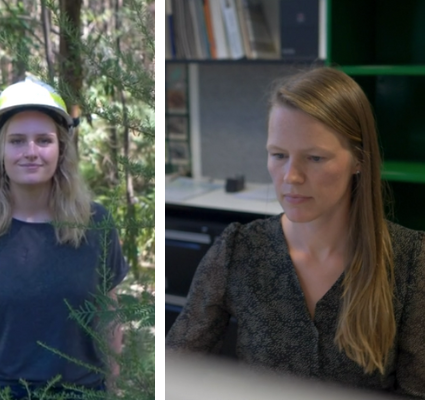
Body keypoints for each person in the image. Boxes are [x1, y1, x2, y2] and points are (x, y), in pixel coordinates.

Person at [166, 67, 425, 397]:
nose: (291, 177)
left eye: (315, 158)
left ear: (358, 160)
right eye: (278, 155)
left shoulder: (410, 261)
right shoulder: (238, 251)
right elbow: (177, 369)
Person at [0, 75, 130, 399]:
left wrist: (114, 388)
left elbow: (110, 317)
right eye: (17, 140)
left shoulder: (96, 224)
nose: (31, 152)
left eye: (44, 140)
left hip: (79, 392)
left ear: (61, 149)